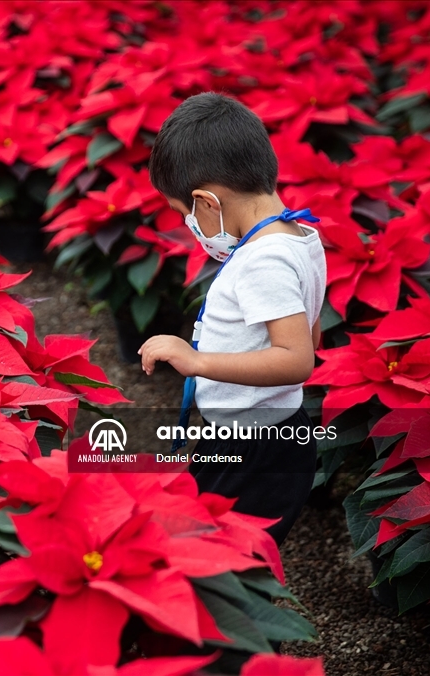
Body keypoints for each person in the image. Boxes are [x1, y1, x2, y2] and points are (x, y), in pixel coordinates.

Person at [139, 92, 327, 546]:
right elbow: (312, 333)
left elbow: (298, 359)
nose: (189, 224)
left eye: (185, 214)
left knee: (216, 554)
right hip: (258, 432)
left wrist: (198, 361)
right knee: (205, 537)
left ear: (207, 201)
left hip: (256, 445)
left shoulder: (264, 261)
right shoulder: (300, 236)